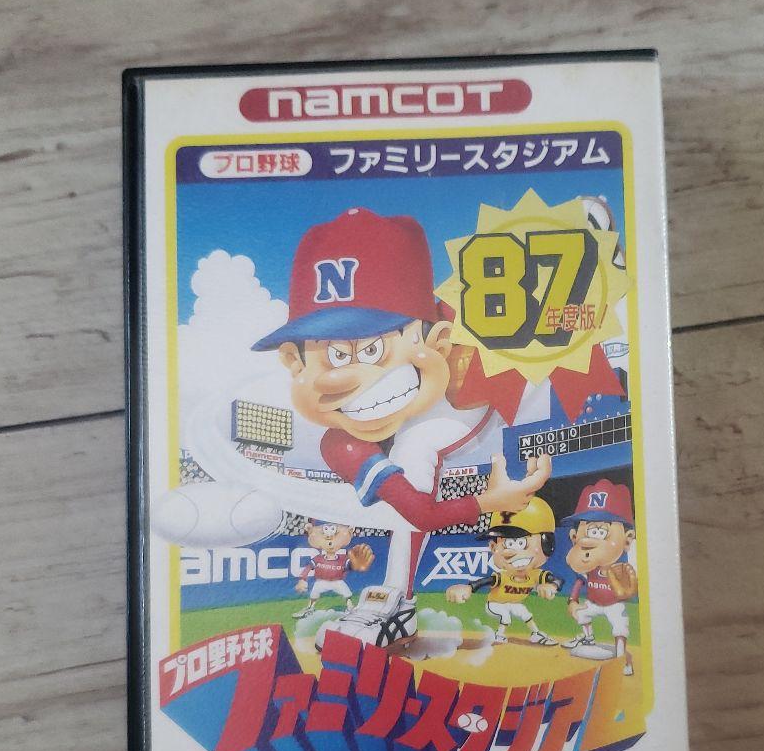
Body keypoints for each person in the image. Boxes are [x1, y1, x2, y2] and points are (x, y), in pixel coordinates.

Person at [252, 207, 551, 648]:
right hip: (427, 409)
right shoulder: (341, 443)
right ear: (295, 361)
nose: (350, 378)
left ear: (434, 337)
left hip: (461, 400)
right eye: (334, 355)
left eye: (372, 348)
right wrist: (491, 501)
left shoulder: (467, 330)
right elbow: (421, 513)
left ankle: (396, 602)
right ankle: (392, 603)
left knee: (416, 442)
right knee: (400, 452)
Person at [445, 497, 561, 645]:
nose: (509, 552)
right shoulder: (503, 576)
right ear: (493, 547)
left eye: (520, 542)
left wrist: (553, 585)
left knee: (525, 613)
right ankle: (499, 635)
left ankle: (536, 633)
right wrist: (469, 587)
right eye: (507, 543)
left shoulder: (534, 575)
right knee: (505, 616)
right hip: (495, 604)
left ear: (547, 544)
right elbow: (486, 581)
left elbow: (557, 580)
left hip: (511, 603)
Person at [561, 479, 638, 668]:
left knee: (620, 626)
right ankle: (588, 638)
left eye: (599, 531)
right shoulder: (589, 567)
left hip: (614, 605)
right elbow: (580, 582)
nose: (590, 539)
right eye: (588, 531)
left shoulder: (622, 569)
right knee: (581, 614)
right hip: (593, 603)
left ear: (627, 540)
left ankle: (622, 658)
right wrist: (572, 601)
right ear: (574, 537)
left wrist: (631, 591)